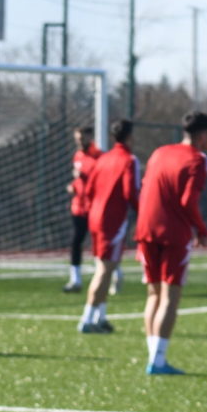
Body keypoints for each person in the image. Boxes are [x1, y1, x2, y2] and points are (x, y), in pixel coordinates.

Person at [135, 110, 207, 374]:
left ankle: (153, 357)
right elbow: (188, 201)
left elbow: (146, 187)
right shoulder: (199, 160)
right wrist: (201, 229)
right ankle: (157, 361)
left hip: (146, 228)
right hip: (173, 232)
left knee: (153, 294)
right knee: (170, 297)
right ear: (204, 135)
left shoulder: (159, 152)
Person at [78, 119, 140, 334]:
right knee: (104, 271)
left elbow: (89, 189)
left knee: (106, 268)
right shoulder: (129, 160)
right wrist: (143, 212)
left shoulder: (103, 158)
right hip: (111, 221)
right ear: (130, 137)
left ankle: (100, 317)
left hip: (96, 217)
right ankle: (87, 319)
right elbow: (130, 192)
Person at [63, 126, 102, 292]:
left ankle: (108, 276)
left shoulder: (100, 157)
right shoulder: (77, 156)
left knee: (100, 244)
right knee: (76, 241)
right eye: (77, 139)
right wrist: (73, 186)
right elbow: (79, 181)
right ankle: (75, 280)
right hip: (79, 207)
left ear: (90, 137)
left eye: (82, 138)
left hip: (95, 207)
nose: (79, 142)